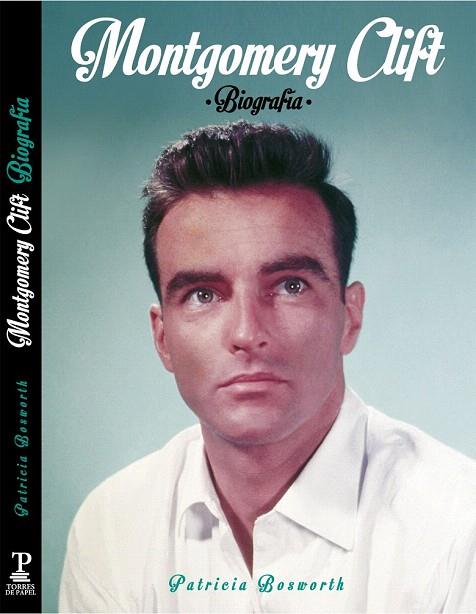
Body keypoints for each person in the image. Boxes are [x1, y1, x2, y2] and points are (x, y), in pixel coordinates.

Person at [60, 121, 476, 613]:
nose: (246, 332)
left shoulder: (459, 527)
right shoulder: (111, 528)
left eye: (290, 286)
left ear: (350, 316)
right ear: (163, 337)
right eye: (203, 294)